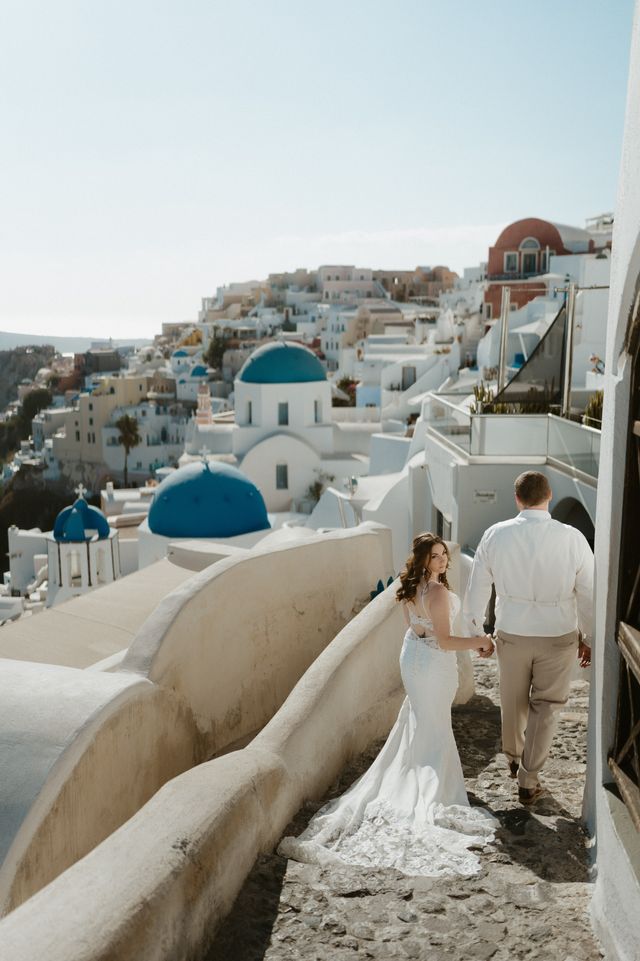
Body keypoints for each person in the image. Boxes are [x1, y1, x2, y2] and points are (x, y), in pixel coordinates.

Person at [278, 533, 497, 877]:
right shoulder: (437, 592)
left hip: (412, 658)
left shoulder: (411, 588)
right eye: (435, 556)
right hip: (432, 664)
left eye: (443, 555)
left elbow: (412, 629)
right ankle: (430, 790)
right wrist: (481, 641)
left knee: (422, 721)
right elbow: (444, 640)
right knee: (434, 725)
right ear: (423, 559)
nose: (442, 561)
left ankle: (419, 776)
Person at [463, 470, 594, 805]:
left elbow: (477, 587)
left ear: (517, 499)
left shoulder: (495, 535)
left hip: (513, 633)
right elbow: (588, 593)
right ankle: (528, 778)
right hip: (558, 633)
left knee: (513, 700)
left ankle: (514, 757)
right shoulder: (573, 537)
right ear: (549, 496)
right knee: (547, 707)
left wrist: (478, 632)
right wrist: (588, 636)